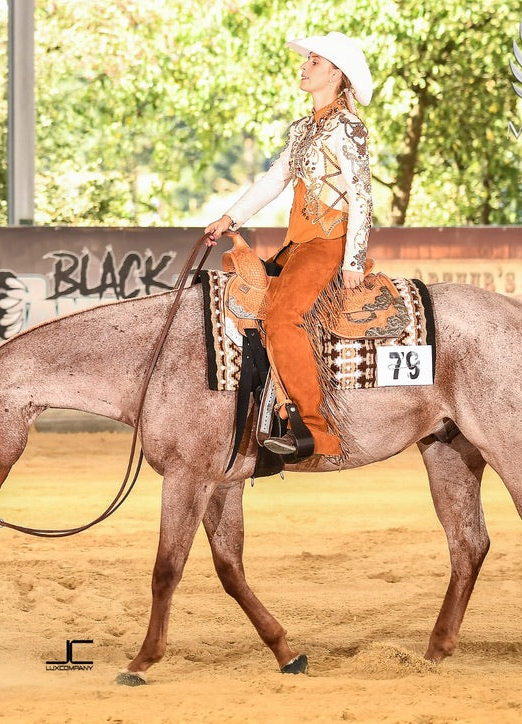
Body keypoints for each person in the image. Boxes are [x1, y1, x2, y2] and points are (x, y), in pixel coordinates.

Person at [204, 31, 374, 461]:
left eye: (315, 62)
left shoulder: (348, 127)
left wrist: (353, 260)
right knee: (251, 307)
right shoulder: (302, 129)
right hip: (297, 244)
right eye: (307, 60)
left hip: (329, 242)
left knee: (283, 318)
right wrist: (230, 218)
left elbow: (361, 196)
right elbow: (274, 180)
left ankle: (316, 431)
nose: (304, 66)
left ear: (336, 74)